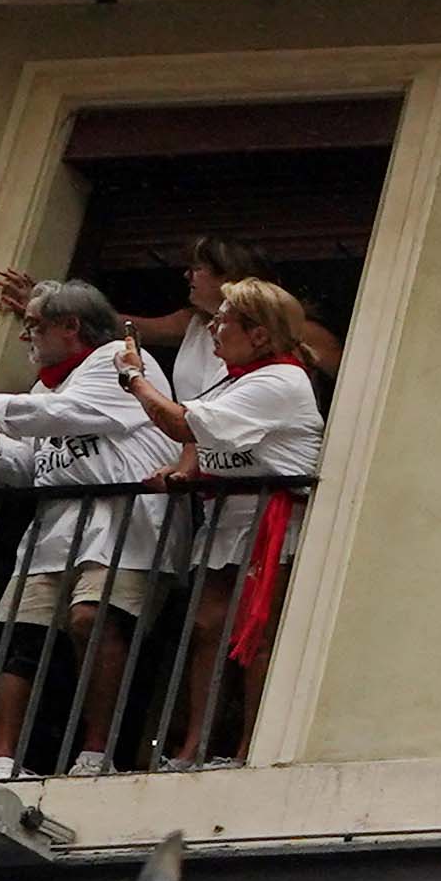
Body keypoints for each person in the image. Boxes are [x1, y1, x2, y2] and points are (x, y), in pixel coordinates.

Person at [0, 279, 172, 780]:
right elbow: (31, 463)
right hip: (56, 525)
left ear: (70, 326)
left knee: (95, 619)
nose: (27, 338)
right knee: (21, 634)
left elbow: (68, 416)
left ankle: (95, 753)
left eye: (34, 327)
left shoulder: (123, 360)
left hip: (122, 521)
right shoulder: (46, 385)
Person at [143, 276, 323, 765]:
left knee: (256, 634)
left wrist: (134, 379)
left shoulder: (280, 380)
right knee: (206, 628)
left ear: (259, 334)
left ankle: (249, 748)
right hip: (228, 518)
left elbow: (186, 422)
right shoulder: (236, 381)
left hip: (270, 521)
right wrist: (184, 472)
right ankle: (193, 745)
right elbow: (204, 442)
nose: (215, 327)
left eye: (224, 320)